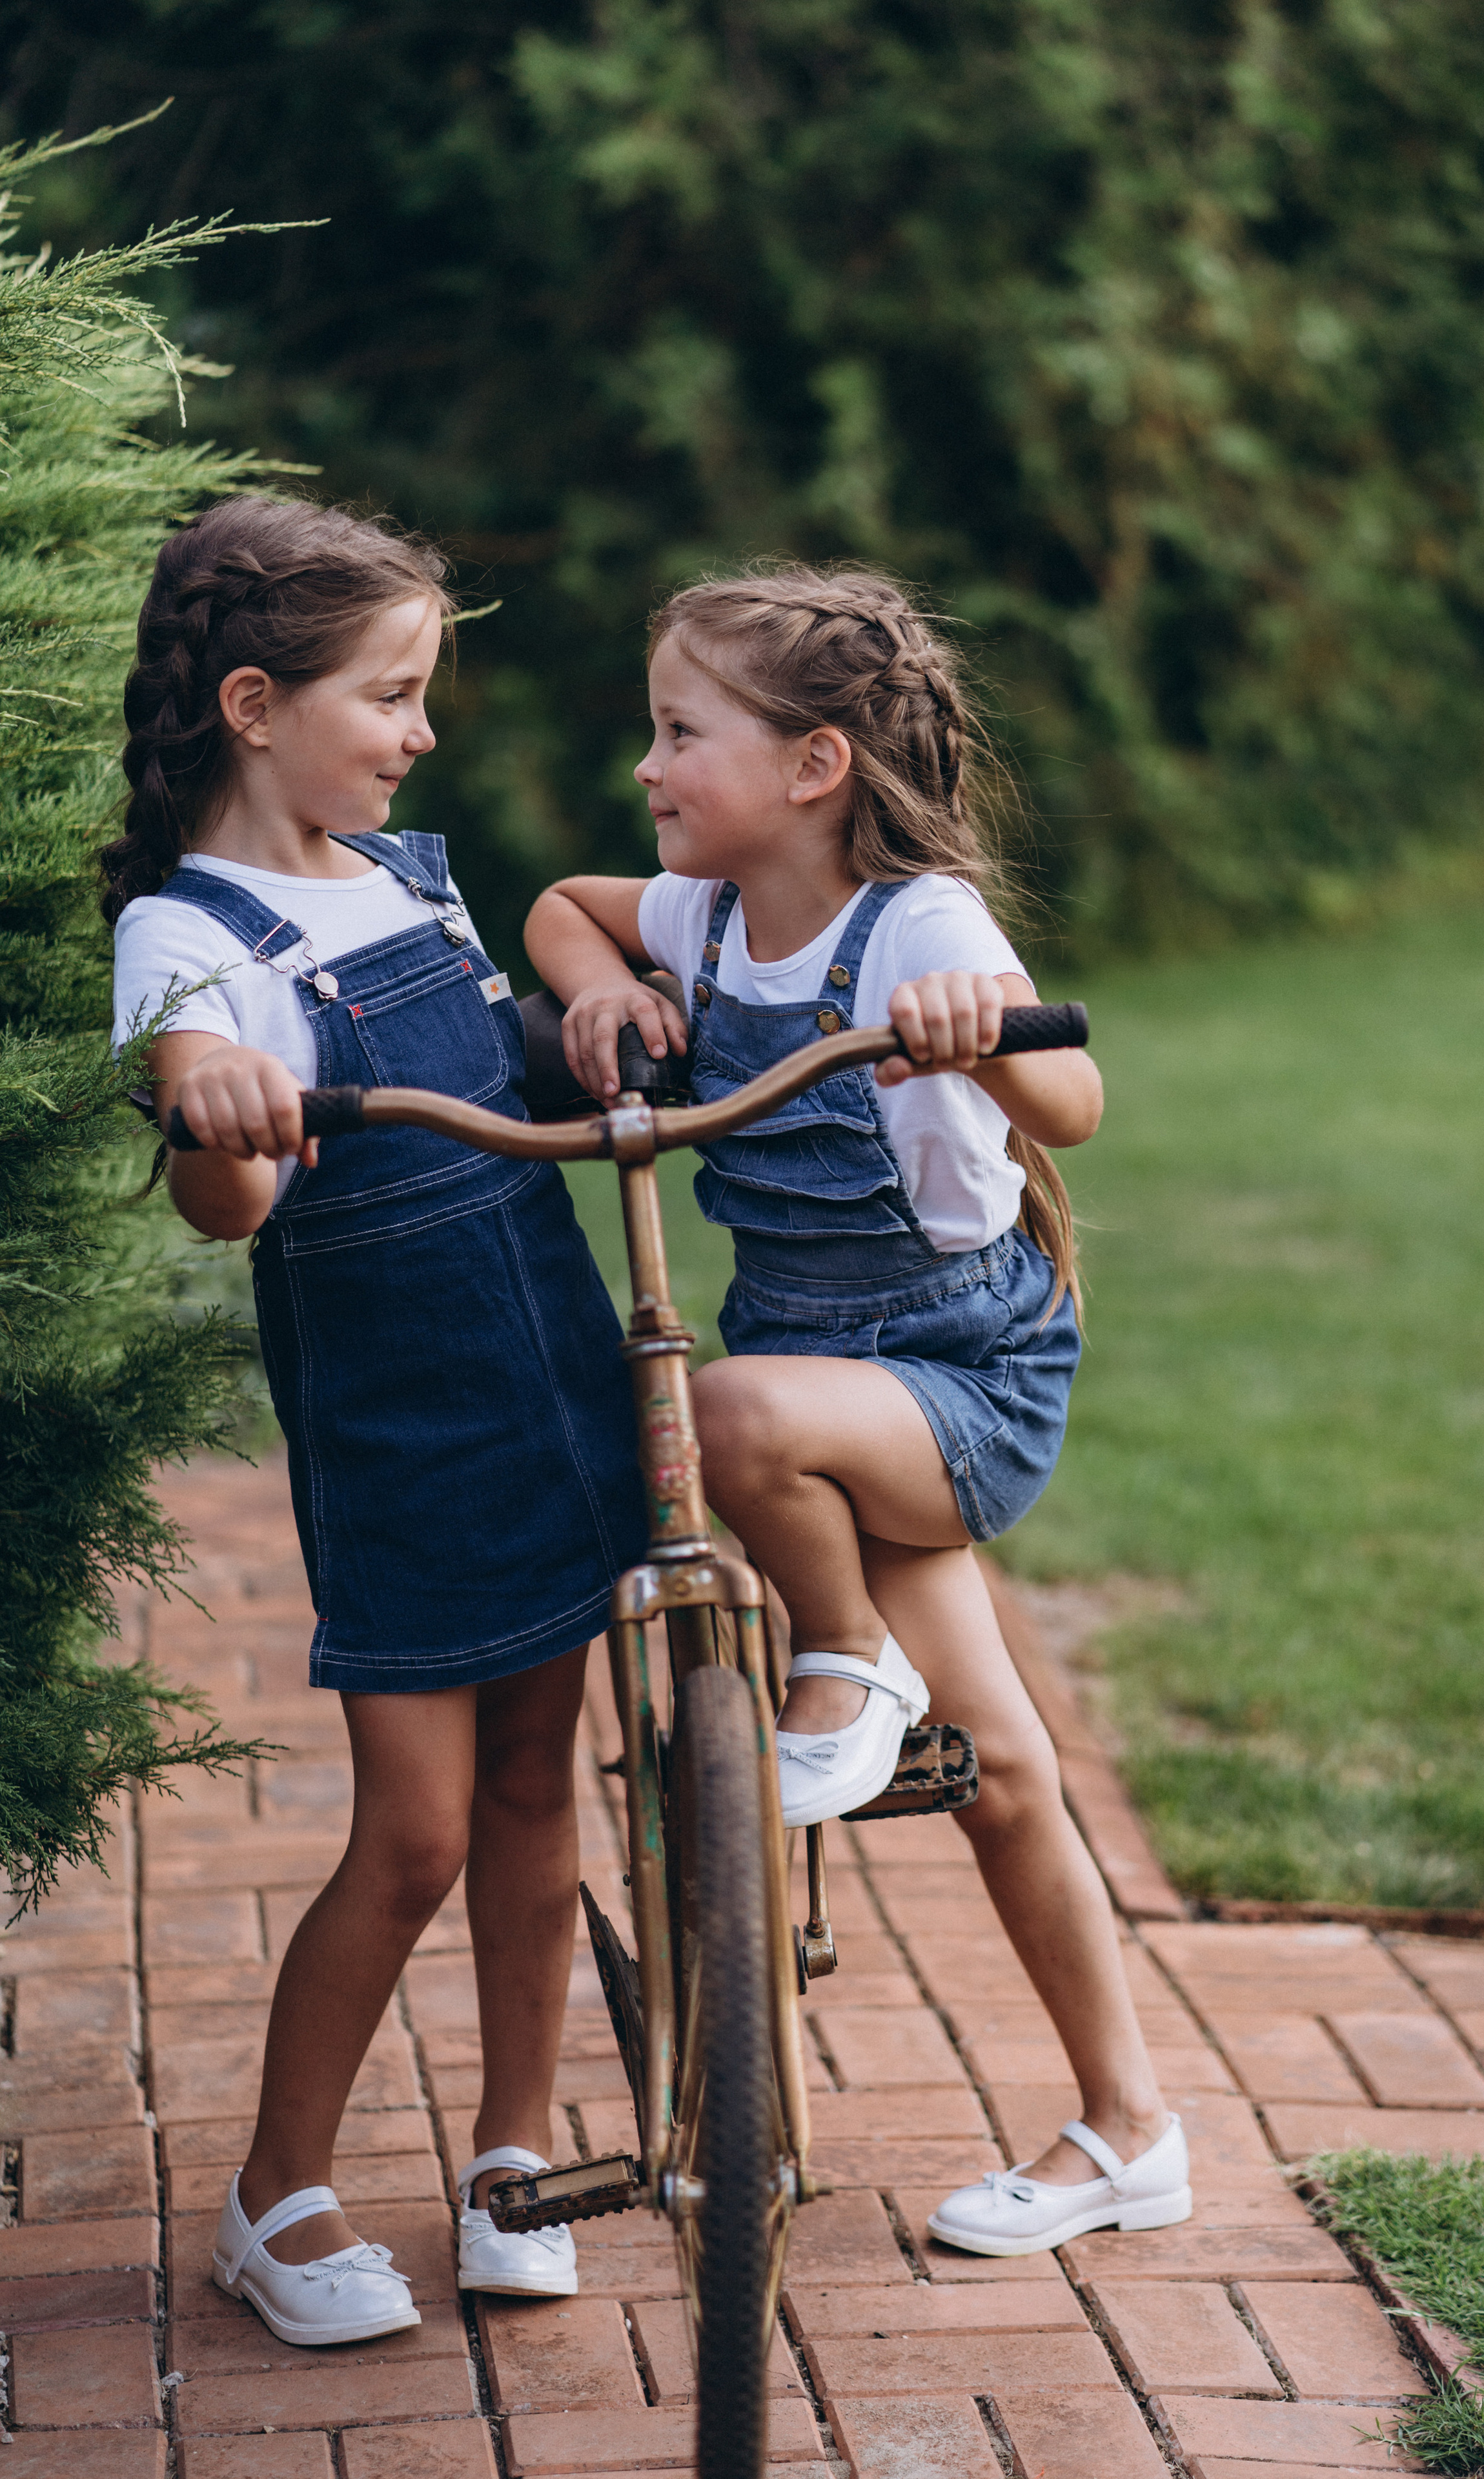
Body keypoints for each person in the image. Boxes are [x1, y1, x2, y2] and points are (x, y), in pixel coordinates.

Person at [526, 566, 1191, 2256]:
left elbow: (1081, 1101)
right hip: (837, 1389)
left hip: (956, 1370)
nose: (650, 767)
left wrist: (982, 1042)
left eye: (683, 733)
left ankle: (848, 1657)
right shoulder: (702, 913)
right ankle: (1132, 2133)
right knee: (1008, 1776)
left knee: (731, 1409)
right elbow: (557, 904)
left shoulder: (923, 927)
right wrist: (603, 994)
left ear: (813, 766)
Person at [106, 498, 647, 2342]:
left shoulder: (409, 871)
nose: (423, 733)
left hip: (552, 1373)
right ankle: (275, 2194)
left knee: (531, 1792)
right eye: (394, 694)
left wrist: (578, 1024)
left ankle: (514, 2152)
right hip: (403, 1420)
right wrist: (226, 1108)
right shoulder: (187, 933)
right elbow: (215, 1170)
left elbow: (492, 1038)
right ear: (256, 704)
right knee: (413, 1834)